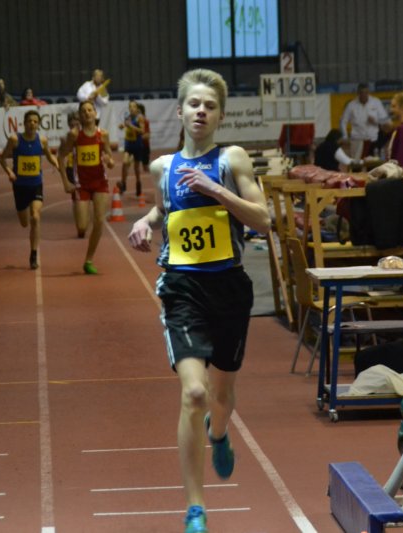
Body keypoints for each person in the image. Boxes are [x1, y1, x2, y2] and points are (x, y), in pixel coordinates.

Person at [127, 69, 270, 533]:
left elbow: (263, 219)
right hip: (182, 288)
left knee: (221, 397)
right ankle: (195, 508)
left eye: (210, 106)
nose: (201, 111)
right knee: (194, 393)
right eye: (194, 104)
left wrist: (217, 191)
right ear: (180, 111)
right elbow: (166, 206)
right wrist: (145, 221)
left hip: (229, 288)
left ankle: (219, 433)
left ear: (221, 115)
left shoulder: (231, 160)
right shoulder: (162, 167)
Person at [57, 101, 115, 274]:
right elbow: (61, 157)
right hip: (81, 184)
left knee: (99, 220)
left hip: (100, 182)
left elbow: (110, 158)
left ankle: (88, 260)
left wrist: (109, 161)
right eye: (83, 111)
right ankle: (79, 206)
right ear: (80, 116)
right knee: (82, 227)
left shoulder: (103, 134)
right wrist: (65, 182)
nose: (87, 113)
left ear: (95, 113)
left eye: (90, 110)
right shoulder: (74, 135)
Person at [0, 110, 60, 269]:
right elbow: (2, 159)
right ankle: (31, 245)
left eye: (35, 121)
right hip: (19, 186)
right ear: (24, 123)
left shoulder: (42, 140)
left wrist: (56, 163)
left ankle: (33, 254)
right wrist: (10, 172)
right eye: (29, 121)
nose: (32, 124)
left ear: (38, 124)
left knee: (35, 217)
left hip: (36, 185)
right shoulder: (15, 140)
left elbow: (49, 156)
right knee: (24, 223)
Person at [339, 83, 392, 160]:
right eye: (362, 93)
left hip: (373, 140)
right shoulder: (351, 105)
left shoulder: (376, 102)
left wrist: (375, 121)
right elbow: (343, 121)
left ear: (368, 92)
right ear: (358, 93)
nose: (364, 95)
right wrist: (345, 136)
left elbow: (385, 120)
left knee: (373, 164)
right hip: (357, 140)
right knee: (356, 164)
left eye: (366, 93)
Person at [118, 99, 145, 196]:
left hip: (137, 145)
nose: (131, 108)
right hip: (128, 144)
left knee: (136, 168)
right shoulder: (127, 117)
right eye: (130, 107)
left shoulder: (140, 118)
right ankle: (123, 184)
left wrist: (132, 126)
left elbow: (142, 131)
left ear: (137, 109)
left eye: (133, 107)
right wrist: (122, 126)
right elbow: (125, 125)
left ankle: (138, 184)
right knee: (125, 163)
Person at [137, 102, 151, 176]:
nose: (137, 114)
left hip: (144, 146)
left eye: (139, 112)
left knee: (145, 167)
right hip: (136, 147)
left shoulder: (145, 121)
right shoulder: (134, 122)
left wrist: (138, 138)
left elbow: (147, 135)